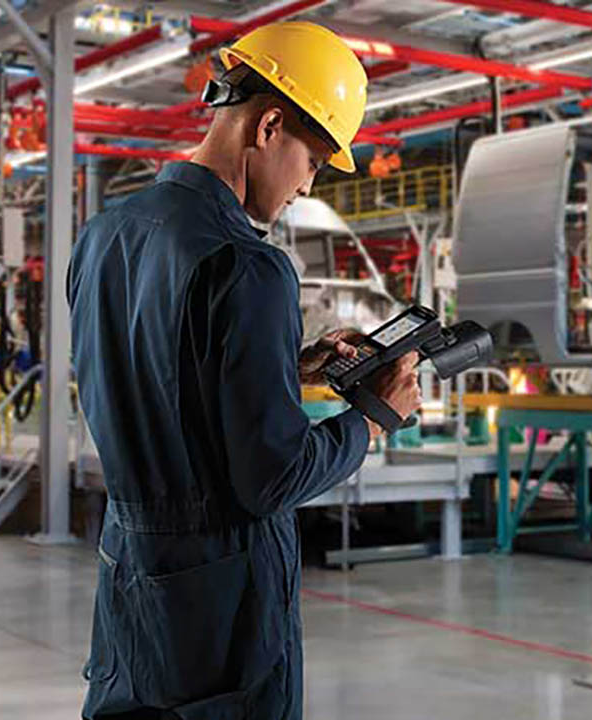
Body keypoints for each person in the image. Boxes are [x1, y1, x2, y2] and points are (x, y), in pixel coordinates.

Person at [68, 21, 421, 720]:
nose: (304, 185)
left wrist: (283, 370)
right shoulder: (250, 265)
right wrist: (373, 417)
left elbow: (158, 381)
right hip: (224, 600)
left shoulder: (104, 236)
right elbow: (272, 477)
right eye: (313, 161)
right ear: (270, 126)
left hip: (131, 572)